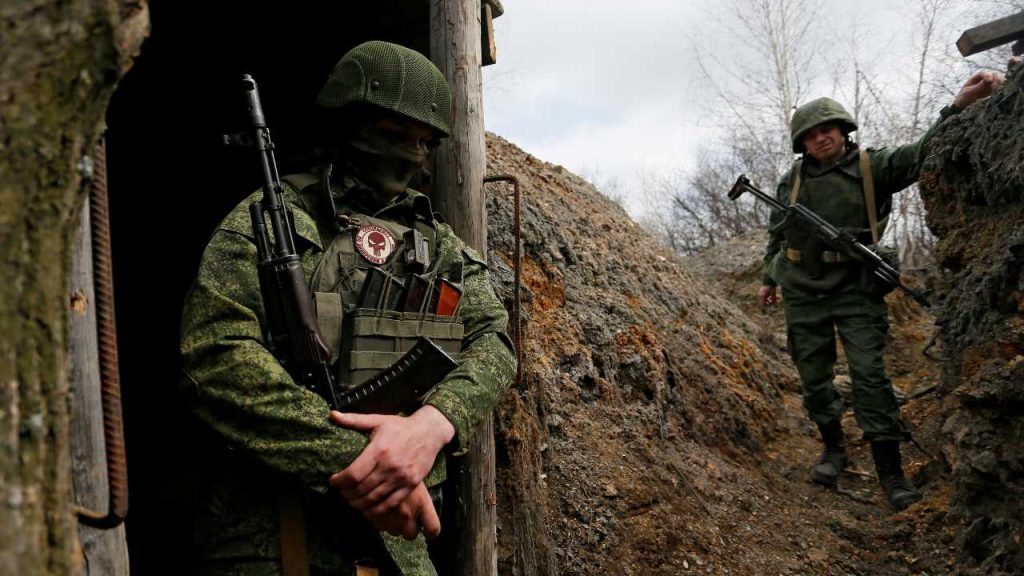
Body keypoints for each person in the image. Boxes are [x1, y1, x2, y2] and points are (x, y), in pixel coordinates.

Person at [180, 41, 516, 575]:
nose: (411, 153)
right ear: (349, 124)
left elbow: (493, 342)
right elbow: (216, 359)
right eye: (393, 134)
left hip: (400, 548)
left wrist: (432, 424)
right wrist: (367, 460)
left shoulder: (438, 245)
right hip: (278, 539)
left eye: (424, 142)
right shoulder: (271, 224)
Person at [759, 71, 1003, 511]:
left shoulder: (875, 167)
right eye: (811, 134)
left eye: (828, 129)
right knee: (813, 378)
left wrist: (957, 106)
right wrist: (767, 278)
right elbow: (777, 233)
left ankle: (890, 471)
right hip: (802, 289)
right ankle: (833, 449)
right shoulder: (791, 180)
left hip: (856, 287)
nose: (821, 138)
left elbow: (922, 153)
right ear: (802, 143)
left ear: (843, 130)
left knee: (870, 376)